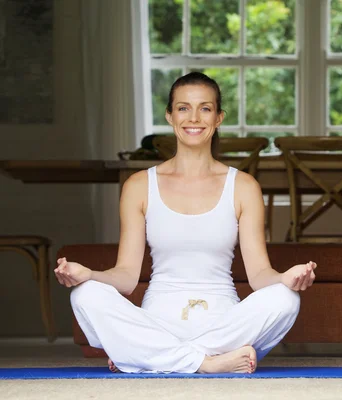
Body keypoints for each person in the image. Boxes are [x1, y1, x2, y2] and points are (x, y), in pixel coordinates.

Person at [54, 72, 317, 374]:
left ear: (219, 118)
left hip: (224, 327)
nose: (194, 118)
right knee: (85, 293)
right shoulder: (139, 185)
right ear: (169, 115)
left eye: (205, 108)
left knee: (286, 300)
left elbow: (259, 276)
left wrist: (288, 278)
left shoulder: (243, 186)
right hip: (158, 323)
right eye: (183, 108)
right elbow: (126, 277)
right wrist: (88, 274)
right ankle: (204, 363)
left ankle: (146, 356)